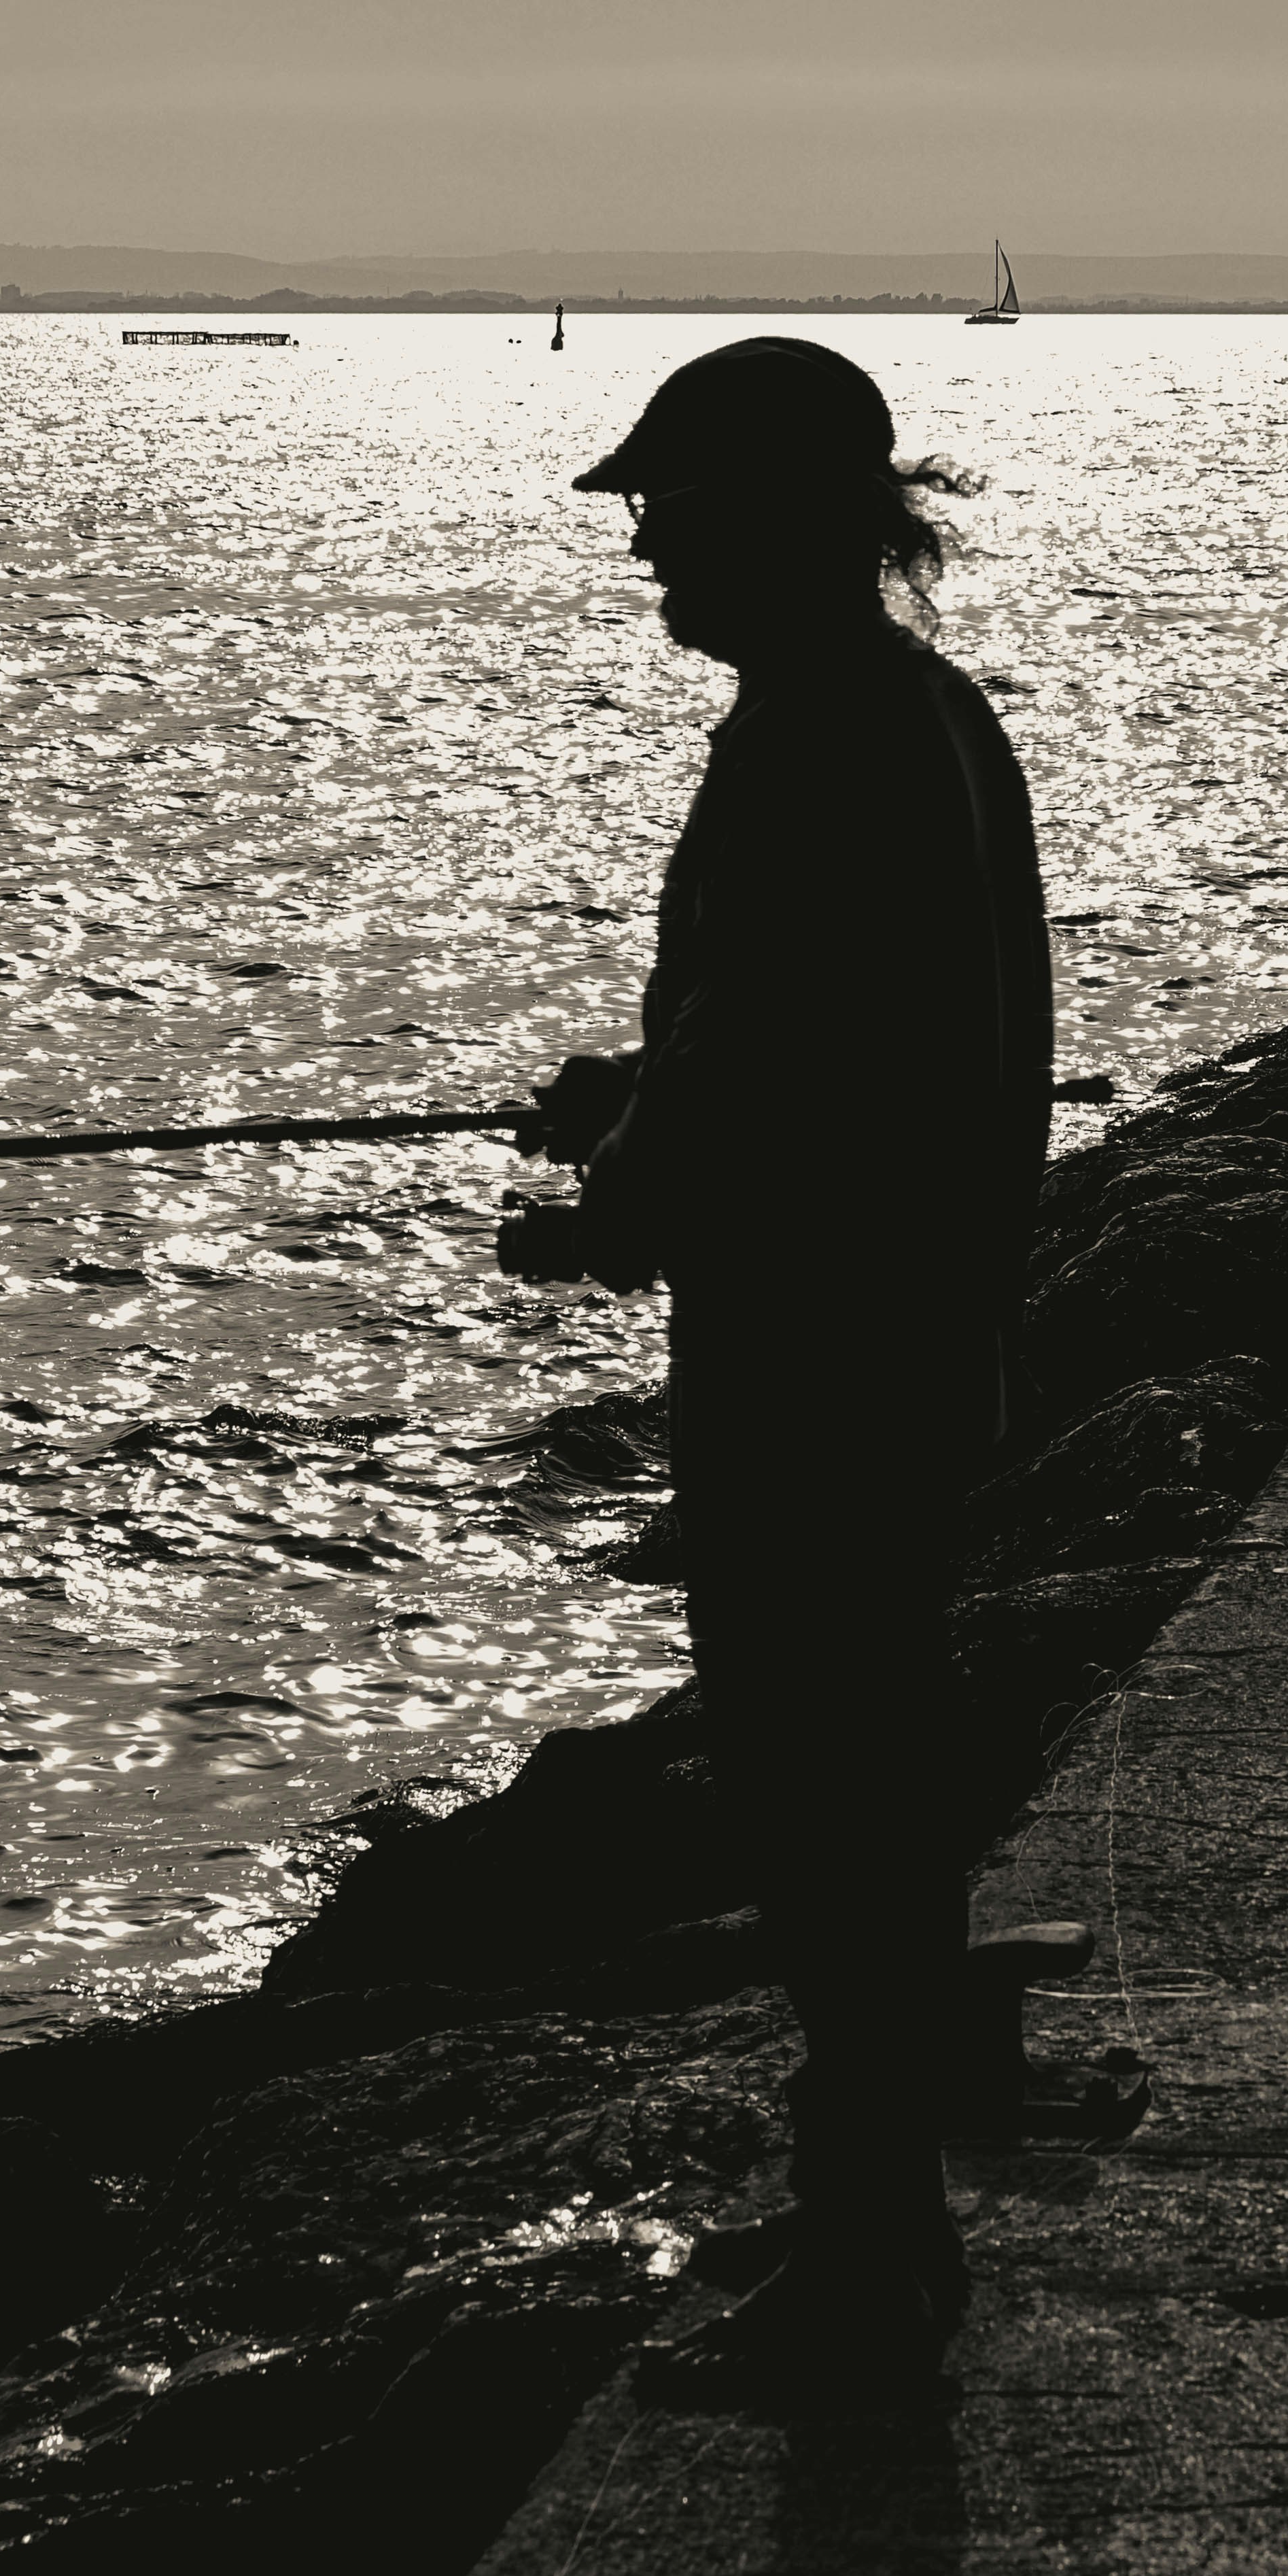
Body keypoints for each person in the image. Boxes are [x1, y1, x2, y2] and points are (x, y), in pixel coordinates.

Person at [502, 336, 1053, 2408]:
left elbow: (779, 1073)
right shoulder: (908, 716)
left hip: (827, 1370)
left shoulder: (819, 734)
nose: (648, 548)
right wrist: (639, 1099)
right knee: (866, 1793)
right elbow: (828, 1031)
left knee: (829, 1812)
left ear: (777, 519)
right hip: (904, 1348)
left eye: (676, 510)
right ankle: (875, 2221)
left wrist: (616, 1199)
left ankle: (874, 2267)